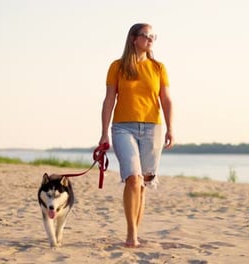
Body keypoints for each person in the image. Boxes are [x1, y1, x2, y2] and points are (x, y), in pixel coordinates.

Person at [99, 23, 174, 247]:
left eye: (153, 36)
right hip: (123, 127)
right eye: (146, 35)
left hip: (153, 128)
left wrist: (171, 128)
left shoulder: (158, 67)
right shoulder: (117, 66)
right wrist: (104, 133)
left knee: (142, 183)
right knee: (132, 178)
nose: (151, 39)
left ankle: (135, 233)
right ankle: (131, 235)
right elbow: (109, 100)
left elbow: (166, 100)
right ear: (134, 38)